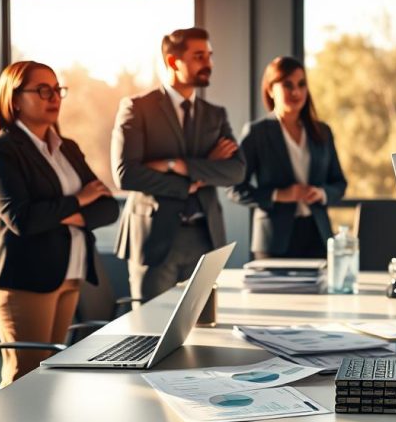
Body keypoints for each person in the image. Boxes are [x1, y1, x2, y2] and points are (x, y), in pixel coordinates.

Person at [0, 61, 119, 388]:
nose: (54, 97)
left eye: (57, 89)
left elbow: (108, 207)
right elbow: (21, 219)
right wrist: (80, 199)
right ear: (15, 99)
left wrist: (67, 213)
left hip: (68, 272)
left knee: (48, 375)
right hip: (23, 279)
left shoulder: (66, 147)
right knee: (23, 378)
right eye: (43, 90)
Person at [112, 27, 245, 302]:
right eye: (199, 56)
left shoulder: (215, 115)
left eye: (209, 55)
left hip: (205, 237)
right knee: (152, 324)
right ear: (173, 61)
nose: (208, 63)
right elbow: (126, 174)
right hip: (154, 238)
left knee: (203, 323)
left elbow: (236, 171)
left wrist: (177, 165)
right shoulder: (137, 108)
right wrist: (194, 178)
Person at [229, 56, 347, 260]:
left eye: (301, 84)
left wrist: (321, 193)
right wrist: (279, 195)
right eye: (288, 85)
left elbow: (339, 183)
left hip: (317, 236)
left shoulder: (322, 131)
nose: (296, 92)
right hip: (273, 240)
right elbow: (234, 188)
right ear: (270, 90)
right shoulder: (257, 133)